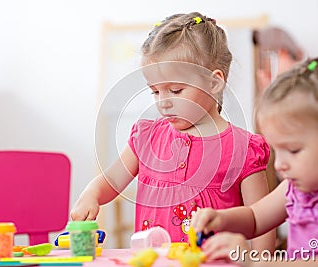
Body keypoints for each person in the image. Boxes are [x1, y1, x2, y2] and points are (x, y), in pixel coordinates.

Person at [70, 12, 275, 250]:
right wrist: (91, 193)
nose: (163, 102)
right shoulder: (146, 138)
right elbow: (110, 181)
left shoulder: (244, 149)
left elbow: (263, 222)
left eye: (175, 90)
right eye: (155, 92)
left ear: (214, 82)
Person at [192, 57, 318, 266]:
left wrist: (253, 261)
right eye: (277, 151)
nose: (279, 165)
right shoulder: (298, 187)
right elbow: (255, 218)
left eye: (293, 150)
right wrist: (221, 219)